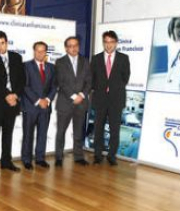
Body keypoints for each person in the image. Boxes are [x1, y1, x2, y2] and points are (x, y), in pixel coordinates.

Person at [0, 30, 25, 175]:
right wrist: (8, 95)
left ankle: (6, 162)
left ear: (6, 43)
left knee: (8, 134)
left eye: (2, 43)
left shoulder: (16, 57)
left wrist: (15, 95)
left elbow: (22, 79)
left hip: (12, 103)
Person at [91, 30, 130, 166]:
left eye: (112, 42)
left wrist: (113, 89)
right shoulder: (95, 59)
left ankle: (112, 156)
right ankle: (97, 155)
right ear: (103, 43)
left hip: (116, 100)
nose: (109, 45)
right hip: (100, 100)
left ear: (116, 43)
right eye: (106, 42)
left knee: (114, 130)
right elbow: (92, 79)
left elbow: (125, 78)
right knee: (98, 129)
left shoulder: (123, 58)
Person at [55, 37, 92, 167]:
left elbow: (89, 81)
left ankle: (78, 156)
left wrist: (81, 95)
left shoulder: (85, 61)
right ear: (66, 48)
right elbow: (61, 82)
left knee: (78, 131)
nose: (73, 48)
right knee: (61, 132)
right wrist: (73, 96)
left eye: (75, 45)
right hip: (65, 102)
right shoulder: (60, 62)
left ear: (79, 46)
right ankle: (59, 157)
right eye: (70, 46)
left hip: (81, 102)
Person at [21, 41, 56, 170]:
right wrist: (38, 101)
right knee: (28, 134)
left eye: (42, 51)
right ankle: (27, 160)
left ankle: (40, 158)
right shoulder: (25, 66)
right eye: (37, 50)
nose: (40, 53)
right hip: (30, 106)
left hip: (46, 107)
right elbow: (25, 86)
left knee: (42, 134)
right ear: (34, 51)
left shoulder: (52, 67)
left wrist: (47, 99)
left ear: (46, 52)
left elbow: (54, 86)